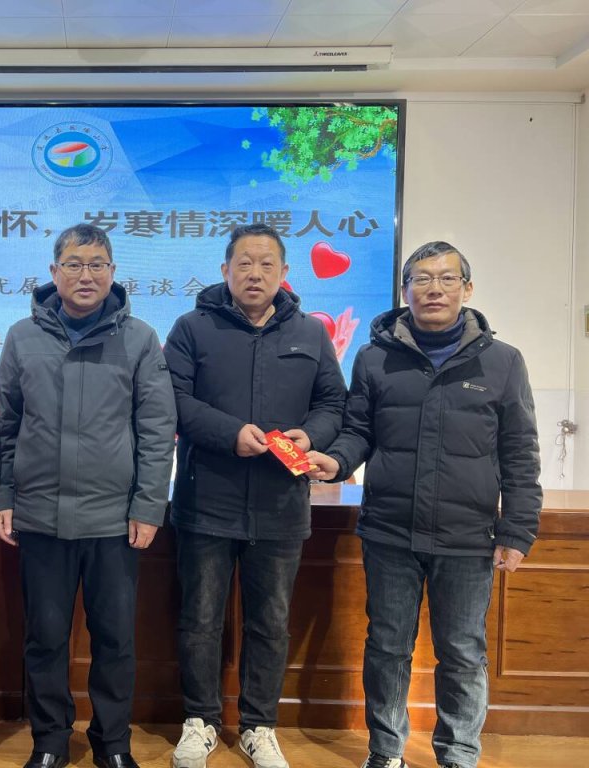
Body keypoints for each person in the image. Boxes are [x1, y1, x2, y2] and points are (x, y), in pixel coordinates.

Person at [306, 241, 542, 768]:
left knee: (462, 652)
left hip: (467, 535)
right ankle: (386, 751)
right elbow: (358, 431)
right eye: (422, 279)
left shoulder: (502, 362)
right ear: (405, 289)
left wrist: (517, 529)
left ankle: (458, 753)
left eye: (447, 278)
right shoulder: (375, 358)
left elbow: (520, 452)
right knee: (387, 647)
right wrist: (335, 461)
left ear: (467, 289)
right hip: (389, 531)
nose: (434, 289)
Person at [0, 223, 176, 768]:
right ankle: (49, 740)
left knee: (114, 639)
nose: (85, 275)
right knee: (44, 638)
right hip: (40, 517)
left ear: (113, 272)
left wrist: (148, 505)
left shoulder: (139, 338)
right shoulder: (23, 337)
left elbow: (157, 428)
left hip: (113, 520)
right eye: (73, 264)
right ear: (54, 272)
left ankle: (112, 743)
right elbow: (5, 426)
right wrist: (3, 495)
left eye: (96, 264)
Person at [164, 223, 346, 768]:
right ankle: (200, 720)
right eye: (244, 263)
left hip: (280, 505)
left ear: (284, 273)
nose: (255, 273)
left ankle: (259, 726)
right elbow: (172, 400)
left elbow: (334, 403)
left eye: (267, 264)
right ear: (225, 270)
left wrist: (311, 435)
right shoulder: (192, 328)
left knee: (270, 622)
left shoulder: (310, 333)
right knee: (200, 620)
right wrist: (229, 434)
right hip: (206, 501)